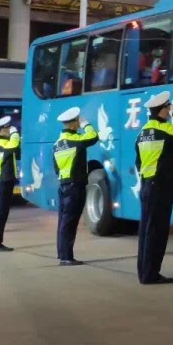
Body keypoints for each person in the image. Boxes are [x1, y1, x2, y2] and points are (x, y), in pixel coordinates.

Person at [135, 91, 173, 284]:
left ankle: (144, 272)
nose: (169, 111)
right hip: (160, 185)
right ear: (161, 110)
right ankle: (150, 274)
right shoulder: (166, 130)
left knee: (146, 229)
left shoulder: (142, 133)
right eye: (167, 108)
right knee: (157, 230)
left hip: (146, 184)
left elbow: (138, 162)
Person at [52, 107, 99, 266]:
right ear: (72, 123)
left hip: (63, 184)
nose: (79, 123)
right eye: (77, 121)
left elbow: (56, 168)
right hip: (75, 186)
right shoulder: (76, 140)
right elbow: (93, 136)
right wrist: (86, 124)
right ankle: (66, 257)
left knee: (63, 221)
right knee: (70, 222)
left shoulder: (57, 144)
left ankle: (62, 253)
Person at [0, 115, 20, 252]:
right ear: (1, 130)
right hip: (2, 182)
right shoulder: (1, 144)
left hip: (0, 181)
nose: (9, 130)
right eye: (7, 128)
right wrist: (15, 132)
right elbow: (14, 144)